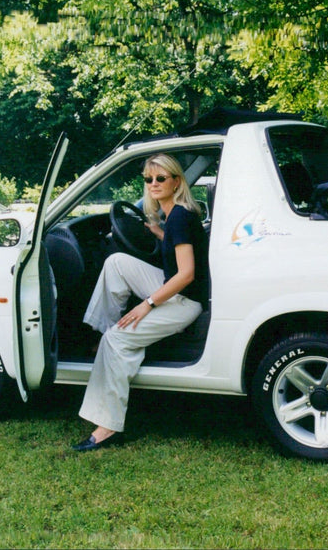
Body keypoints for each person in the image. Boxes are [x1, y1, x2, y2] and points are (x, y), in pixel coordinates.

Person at [73, 153, 209, 452]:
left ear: (176, 181)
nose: (153, 183)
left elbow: (186, 274)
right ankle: (102, 335)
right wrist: (159, 233)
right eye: (148, 179)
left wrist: (147, 303)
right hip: (171, 286)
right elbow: (177, 253)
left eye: (161, 178)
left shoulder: (182, 217)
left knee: (118, 341)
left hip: (185, 300)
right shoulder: (173, 217)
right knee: (117, 262)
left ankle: (108, 427)